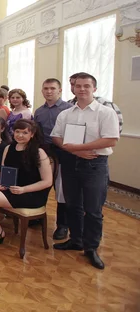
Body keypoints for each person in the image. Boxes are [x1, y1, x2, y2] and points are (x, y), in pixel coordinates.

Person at [51, 73, 119, 269]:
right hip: (71, 163)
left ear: (94, 88)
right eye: (78, 86)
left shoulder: (105, 113)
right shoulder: (66, 114)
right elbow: (56, 137)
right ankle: (76, 240)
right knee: (73, 205)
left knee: (93, 209)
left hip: (94, 164)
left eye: (86, 86)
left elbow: (111, 139)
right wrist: (74, 150)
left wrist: (77, 149)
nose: (81, 89)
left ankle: (91, 248)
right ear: (73, 88)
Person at [0, 119, 52, 253]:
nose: (20, 135)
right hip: (12, 189)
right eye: (17, 131)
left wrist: (24, 189)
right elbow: (4, 172)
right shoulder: (8, 148)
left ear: (32, 134)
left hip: (31, 194)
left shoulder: (39, 152)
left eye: (25, 132)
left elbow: (47, 182)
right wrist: (2, 184)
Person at [33, 78, 73, 240]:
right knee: (40, 184)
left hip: (62, 152)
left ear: (60, 90)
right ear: (42, 91)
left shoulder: (69, 109)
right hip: (44, 152)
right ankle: (36, 216)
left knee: (61, 189)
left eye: (52, 88)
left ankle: (63, 225)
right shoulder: (39, 111)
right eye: (46, 88)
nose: (49, 91)